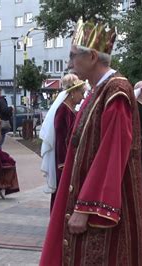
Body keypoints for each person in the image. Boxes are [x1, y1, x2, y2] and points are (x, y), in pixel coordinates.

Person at [40, 19, 142, 265]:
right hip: (84, 198)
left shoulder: (115, 91)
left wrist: (85, 208)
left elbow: (112, 152)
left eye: (72, 56)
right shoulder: (99, 90)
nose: (69, 64)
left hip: (101, 207)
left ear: (91, 56)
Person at [39, 73, 86, 211]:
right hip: (64, 161)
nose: (83, 97)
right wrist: (63, 164)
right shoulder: (63, 111)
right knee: (62, 192)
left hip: (70, 158)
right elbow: (61, 140)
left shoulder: (71, 110)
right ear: (73, 92)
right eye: (81, 93)